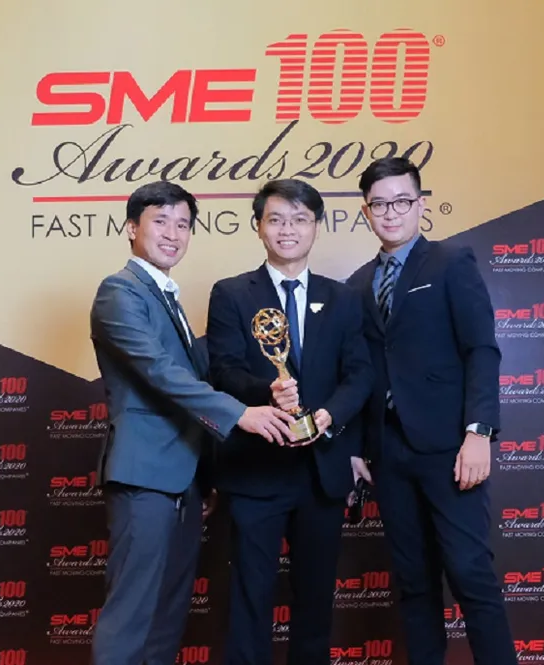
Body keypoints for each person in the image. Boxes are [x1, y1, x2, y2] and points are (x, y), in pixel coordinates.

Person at [89, 181, 298, 665]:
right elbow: (160, 373)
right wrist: (241, 414)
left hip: (184, 481)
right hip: (144, 476)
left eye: (183, 224)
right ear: (131, 228)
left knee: (167, 614)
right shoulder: (119, 292)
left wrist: (208, 475)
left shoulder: (167, 296)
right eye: (160, 221)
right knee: (131, 615)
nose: (173, 233)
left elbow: (196, 380)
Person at [345, 157, 517, 665]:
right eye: (379, 204)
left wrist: (479, 432)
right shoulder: (357, 284)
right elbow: (358, 373)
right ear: (365, 212)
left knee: (469, 572)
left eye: (401, 201)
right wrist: (357, 449)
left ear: (420, 205)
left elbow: (481, 349)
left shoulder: (450, 261)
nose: (391, 212)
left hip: (449, 447)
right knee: (414, 582)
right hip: (387, 450)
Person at [206, 179, 374, 665]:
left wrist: (330, 415)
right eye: (276, 219)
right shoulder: (231, 293)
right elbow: (223, 370)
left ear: (316, 227)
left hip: (321, 472)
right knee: (249, 599)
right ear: (259, 226)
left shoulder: (343, 298)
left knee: (316, 602)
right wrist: (268, 391)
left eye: (300, 219)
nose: (288, 230)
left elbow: (360, 373)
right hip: (255, 469)